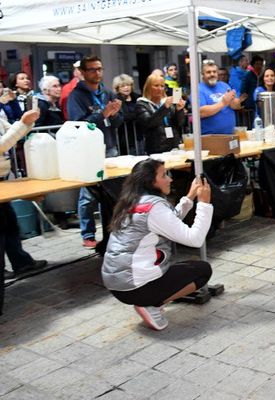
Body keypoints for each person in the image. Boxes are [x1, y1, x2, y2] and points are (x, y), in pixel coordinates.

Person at [102, 159, 213, 330]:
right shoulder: (153, 207)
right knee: (202, 271)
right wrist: (204, 204)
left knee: (183, 267)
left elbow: (169, 221)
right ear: (150, 182)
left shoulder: (132, 201)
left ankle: (148, 301)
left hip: (117, 285)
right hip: (136, 288)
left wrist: (190, 197)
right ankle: (151, 305)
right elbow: (195, 239)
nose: (170, 179)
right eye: (164, 175)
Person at [67, 55, 123, 249]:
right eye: (92, 69)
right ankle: (88, 233)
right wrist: (102, 114)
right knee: (88, 194)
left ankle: (111, 230)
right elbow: (79, 124)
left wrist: (115, 114)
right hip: (88, 152)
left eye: (99, 69)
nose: (97, 73)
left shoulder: (106, 92)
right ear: (83, 72)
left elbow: (116, 123)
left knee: (111, 192)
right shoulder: (76, 96)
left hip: (109, 145)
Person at [1, 109, 47, 297]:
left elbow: (15, 131)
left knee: (9, 224)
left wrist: (29, 121)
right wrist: (22, 123)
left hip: (3, 178)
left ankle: (22, 263)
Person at [136, 73, 186, 154]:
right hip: (156, 147)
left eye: (162, 86)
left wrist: (179, 110)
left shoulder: (167, 101)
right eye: (156, 86)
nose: (160, 89)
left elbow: (179, 123)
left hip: (173, 144)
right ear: (148, 87)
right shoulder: (141, 104)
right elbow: (149, 123)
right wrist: (164, 107)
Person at [199, 60, 245, 135]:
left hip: (230, 134)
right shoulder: (198, 89)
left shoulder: (224, 85)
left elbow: (235, 106)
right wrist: (223, 102)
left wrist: (237, 101)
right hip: (210, 137)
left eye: (214, 72)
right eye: (208, 72)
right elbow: (201, 112)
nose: (212, 74)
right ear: (203, 74)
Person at [113, 74, 141, 154]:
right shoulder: (116, 100)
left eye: (128, 85)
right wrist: (137, 114)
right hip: (125, 137)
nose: (126, 88)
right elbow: (122, 117)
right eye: (122, 86)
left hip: (140, 134)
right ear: (117, 88)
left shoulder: (138, 97)